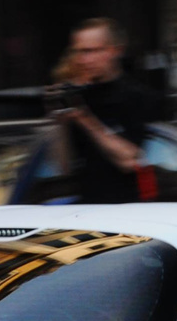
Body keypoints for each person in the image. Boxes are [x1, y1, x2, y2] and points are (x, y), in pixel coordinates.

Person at [52, 18, 159, 204]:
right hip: (87, 208)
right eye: (77, 52)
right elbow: (63, 166)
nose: (83, 60)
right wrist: (58, 119)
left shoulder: (136, 96)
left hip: (131, 209)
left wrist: (84, 118)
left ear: (115, 50)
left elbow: (130, 161)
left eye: (91, 51)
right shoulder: (78, 97)